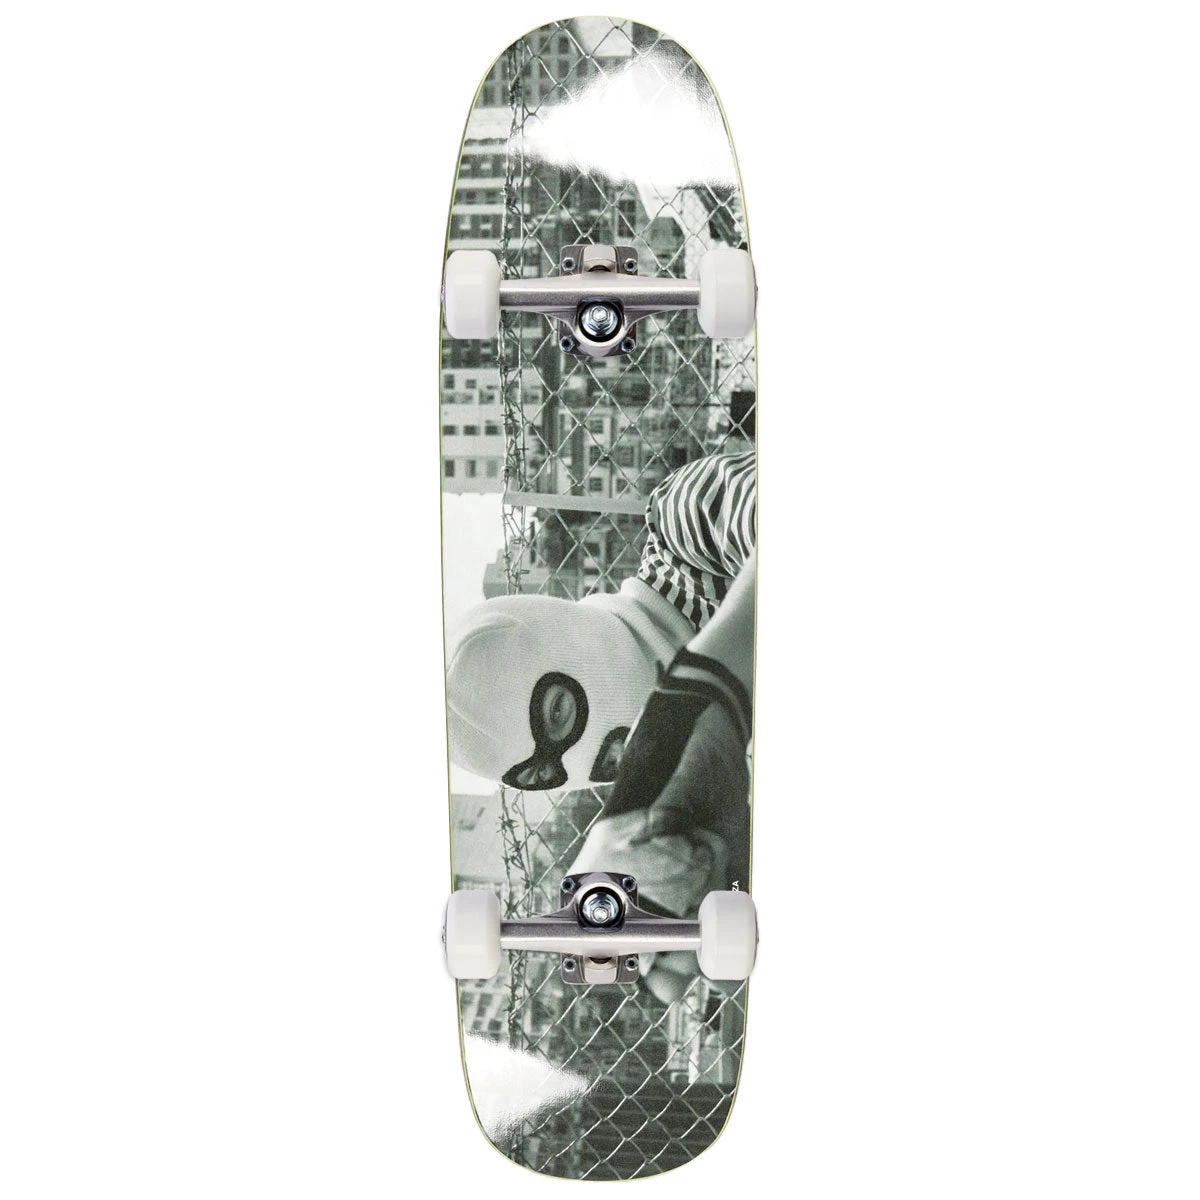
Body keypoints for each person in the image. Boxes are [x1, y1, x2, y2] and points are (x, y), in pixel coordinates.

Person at [445, 451, 756, 985]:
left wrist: (713, 685)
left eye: (559, 713)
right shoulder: (694, 801)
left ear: (563, 630)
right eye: (546, 772)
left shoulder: (684, 524)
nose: (593, 758)